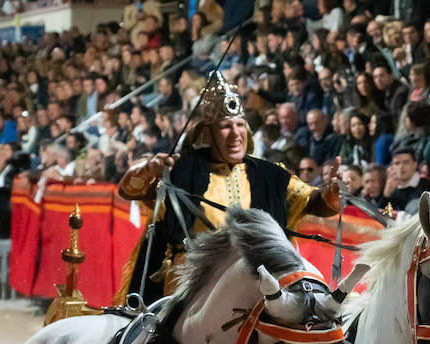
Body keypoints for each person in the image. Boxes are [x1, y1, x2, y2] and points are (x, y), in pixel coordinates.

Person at [115, 72, 340, 303]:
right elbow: (129, 190)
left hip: (255, 283)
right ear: (208, 134)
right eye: (225, 126)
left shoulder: (270, 174)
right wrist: (149, 168)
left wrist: (331, 193)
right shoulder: (181, 170)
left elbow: (314, 203)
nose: (235, 134)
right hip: (190, 288)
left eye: (239, 125)